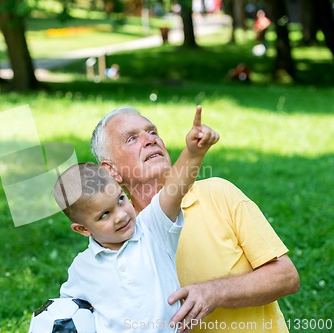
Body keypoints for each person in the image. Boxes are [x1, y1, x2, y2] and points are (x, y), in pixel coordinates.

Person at [90, 105, 300, 332]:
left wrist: (212, 292)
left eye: (152, 132)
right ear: (110, 171)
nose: (150, 140)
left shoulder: (218, 193)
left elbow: (286, 277)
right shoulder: (118, 236)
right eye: (131, 138)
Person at [55, 107, 219, 332]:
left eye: (121, 200)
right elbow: (65, 314)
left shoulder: (152, 230)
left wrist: (194, 153)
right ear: (83, 229)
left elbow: (174, 188)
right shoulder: (82, 269)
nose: (121, 215)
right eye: (104, 215)